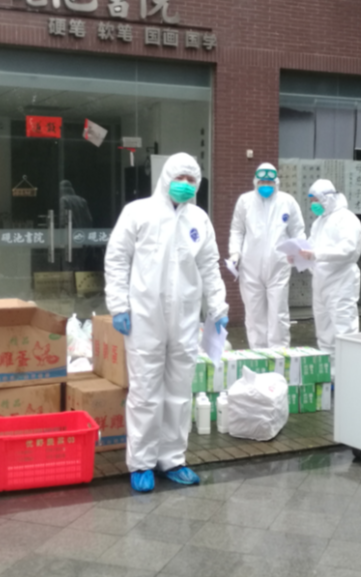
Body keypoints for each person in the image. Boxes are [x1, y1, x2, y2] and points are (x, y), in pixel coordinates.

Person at [104, 152, 228, 493]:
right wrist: (119, 305)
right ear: (165, 178)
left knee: (179, 391)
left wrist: (218, 306)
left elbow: (209, 265)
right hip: (145, 316)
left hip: (186, 318)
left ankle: (172, 459)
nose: (185, 185)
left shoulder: (199, 219)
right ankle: (141, 462)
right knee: (145, 390)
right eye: (180, 178)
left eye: (192, 180)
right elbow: (117, 258)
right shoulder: (138, 212)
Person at [228, 162, 305, 349]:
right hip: (250, 268)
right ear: (255, 181)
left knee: (278, 314)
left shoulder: (287, 202)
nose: (265, 185)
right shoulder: (245, 201)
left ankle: (279, 356)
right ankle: (259, 355)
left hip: (278, 267)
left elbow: (298, 231)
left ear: (276, 182)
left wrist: (298, 253)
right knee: (254, 315)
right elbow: (237, 230)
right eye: (262, 182)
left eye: (269, 182)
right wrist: (235, 252)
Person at [301, 179, 361, 359]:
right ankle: (329, 369)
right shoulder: (319, 222)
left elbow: (348, 250)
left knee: (344, 329)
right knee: (324, 330)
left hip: (341, 283)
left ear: (326, 198)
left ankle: (350, 369)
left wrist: (316, 254)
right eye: (311, 201)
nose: (313, 204)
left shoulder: (346, 219)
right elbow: (310, 247)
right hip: (321, 283)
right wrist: (298, 256)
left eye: (316, 200)